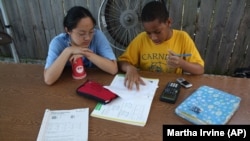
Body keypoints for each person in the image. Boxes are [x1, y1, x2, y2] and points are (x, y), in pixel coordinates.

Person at [118, 1, 204, 90]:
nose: (153, 37)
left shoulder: (182, 38)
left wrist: (182, 63)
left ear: (169, 22)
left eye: (158, 32)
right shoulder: (141, 39)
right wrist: (129, 68)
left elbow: (200, 69)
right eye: (148, 33)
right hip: (146, 88)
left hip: (170, 87)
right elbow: (122, 62)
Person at [44, 6, 118, 85]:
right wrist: (68, 51)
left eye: (91, 31)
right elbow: (48, 79)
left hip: (95, 82)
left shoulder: (97, 36)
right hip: (68, 83)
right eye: (81, 33)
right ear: (68, 30)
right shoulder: (58, 43)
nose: (88, 38)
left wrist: (85, 53)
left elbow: (113, 69)